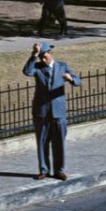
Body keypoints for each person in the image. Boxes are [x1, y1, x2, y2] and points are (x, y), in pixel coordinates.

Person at [23, 42, 81, 181]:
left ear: (51, 54)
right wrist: (34, 55)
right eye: (41, 57)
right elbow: (27, 72)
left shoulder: (62, 66)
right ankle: (44, 169)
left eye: (45, 56)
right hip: (42, 112)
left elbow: (79, 81)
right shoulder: (37, 67)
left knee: (59, 142)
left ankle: (59, 170)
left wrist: (71, 79)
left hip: (58, 112)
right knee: (42, 142)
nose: (43, 59)